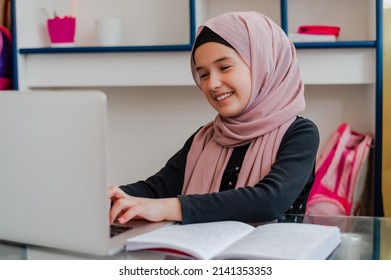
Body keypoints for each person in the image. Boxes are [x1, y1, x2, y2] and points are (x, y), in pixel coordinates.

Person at [109, 11, 319, 225]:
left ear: (264, 64)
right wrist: (111, 197)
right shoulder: (206, 138)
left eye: (224, 67)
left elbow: (270, 200)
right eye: (203, 75)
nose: (212, 84)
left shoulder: (300, 133)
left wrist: (170, 207)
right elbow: (156, 189)